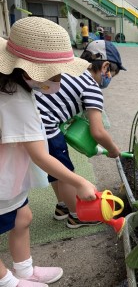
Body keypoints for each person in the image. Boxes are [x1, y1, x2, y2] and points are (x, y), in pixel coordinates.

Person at [0, 17, 97, 287]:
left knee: (23, 216)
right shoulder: (15, 102)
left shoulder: (12, 86)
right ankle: (9, 282)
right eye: (55, 74)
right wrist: (79, 182)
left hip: (9, 171)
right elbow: (41, 156)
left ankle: (25, 270)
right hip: (2, 177)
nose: (59, 79)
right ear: (31, 73)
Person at [34, 40, 127, 229]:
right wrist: (113, 149)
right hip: (46, 127)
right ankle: (76, 216)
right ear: (106, 67)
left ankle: (62, 206)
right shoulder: (91, 87)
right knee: (66, 174)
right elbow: (98, 132)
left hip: (34, 121)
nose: (109, 80)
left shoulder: (71, 70)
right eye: (112, 75)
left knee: (55, 170)